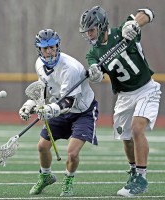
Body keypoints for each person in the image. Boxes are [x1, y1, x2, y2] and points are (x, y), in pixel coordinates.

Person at [79, 5, 161, 197]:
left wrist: (133, 24)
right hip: (124, 96)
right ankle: (133, 171)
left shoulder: (121, 32)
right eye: (87, 31)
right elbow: (95, 72)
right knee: (125, 138)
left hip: (146, 89)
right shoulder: (94, 54)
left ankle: (141, 177)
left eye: (91, 30)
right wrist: (95, 73)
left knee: (137, 129)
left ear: (101, 26)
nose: (89, 35)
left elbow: (148, 13)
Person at [19, 29, 99, 196]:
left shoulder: (69, 68)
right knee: (42, 146)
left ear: (57, 46)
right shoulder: (39, 64)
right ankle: (45, 176)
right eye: (45, 48)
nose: (49, 52)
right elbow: (44, 90)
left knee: (72, 152)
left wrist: (50, 110)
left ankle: (68, 180)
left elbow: (68, 102)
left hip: (82, 110)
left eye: (52, 47)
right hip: (60, 109)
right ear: (39, 49)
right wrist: (30, 104)